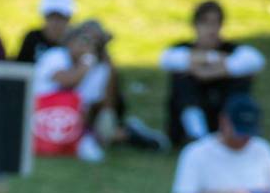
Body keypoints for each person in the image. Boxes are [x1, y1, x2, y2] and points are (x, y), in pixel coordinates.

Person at [33, 20, 169, 162]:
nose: (85, 46)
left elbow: (97, 104)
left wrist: (104, 60)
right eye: (83, 39)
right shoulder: (55, 56)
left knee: (104, 133)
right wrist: (86, 64)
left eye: (93, 43)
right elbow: (69, 81)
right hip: (40, 115)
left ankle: (136, 136)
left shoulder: (98, 69)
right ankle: (128, 134)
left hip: (74, 123)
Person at [160, 0, 265, 146]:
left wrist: (209, 68)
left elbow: (255, 60)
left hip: (221, 107)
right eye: (205, 23)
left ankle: (236, 128)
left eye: (215, 23)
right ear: (195, 25)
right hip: (190, 111)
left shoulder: (232, 49)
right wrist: (217, 62)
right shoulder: (182, 48)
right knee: (183, 79)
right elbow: (167, 59)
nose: (211, 30)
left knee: (241, 79)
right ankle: (197, 136)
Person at [15, 0, 75, 64]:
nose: (55, 23)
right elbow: (19, 65)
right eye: (51, 17)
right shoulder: (32, 38)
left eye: (60, 18)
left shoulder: (75, 42)